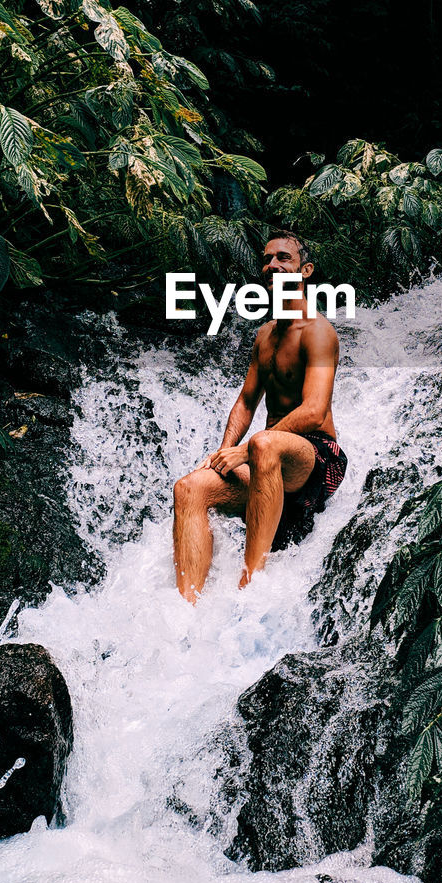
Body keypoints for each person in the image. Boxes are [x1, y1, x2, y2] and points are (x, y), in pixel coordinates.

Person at [173, 230, 347, 603]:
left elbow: (315, 412)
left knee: (264, 442)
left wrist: (247, 451)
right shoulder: (265, 335)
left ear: (305, 271)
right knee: (190, 488)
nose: (272, 265)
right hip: (265, 462)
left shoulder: (319, 332)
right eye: (267, 259)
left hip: (316, 459)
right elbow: (246, 403)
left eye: (283, 258)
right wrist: (224, 455)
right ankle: (186, 606)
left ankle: (249, 587)